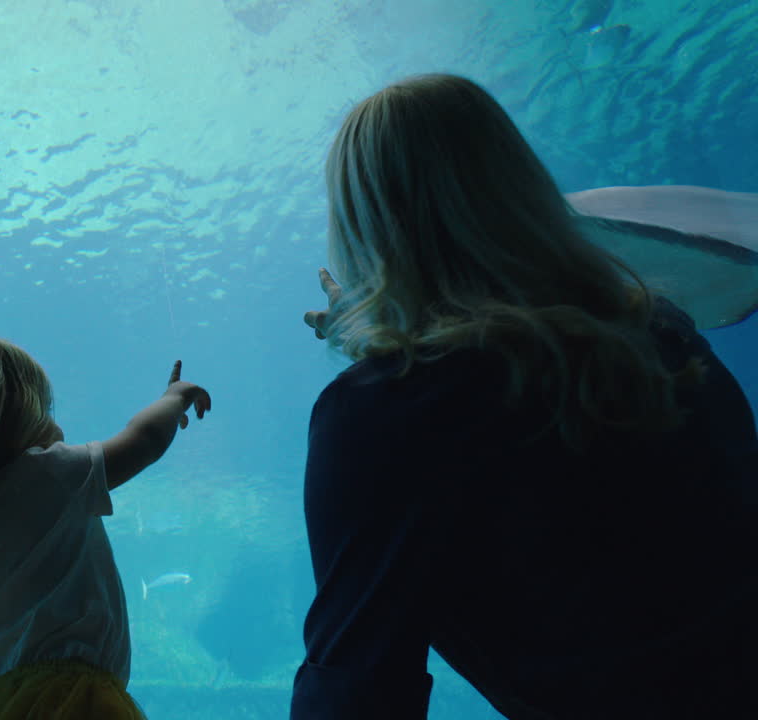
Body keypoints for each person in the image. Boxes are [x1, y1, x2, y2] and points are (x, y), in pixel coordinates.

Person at [294, 73, 757, 719]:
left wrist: (381, 373)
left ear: (364, 222)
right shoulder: (664, 335)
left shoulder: (382, 411)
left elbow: (358, 685)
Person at [0, 330, 211, 719]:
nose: (57, 427)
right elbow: (144, 441)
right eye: (41, 410)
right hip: (71, 704)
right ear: (3, 416)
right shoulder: (46, 475)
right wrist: (173, 398)